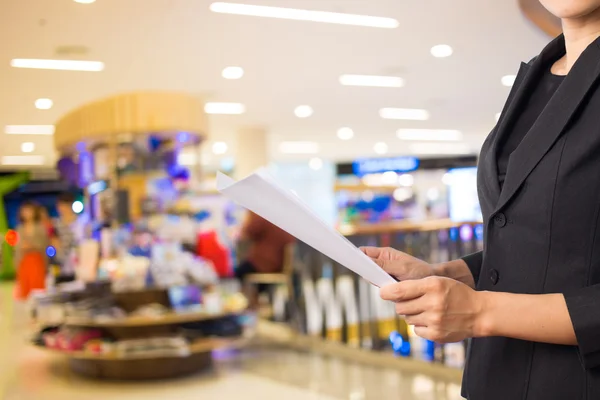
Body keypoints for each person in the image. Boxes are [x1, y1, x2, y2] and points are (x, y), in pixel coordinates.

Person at [362, 2, 600, 399]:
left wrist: (480, 311)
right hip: (497, 377)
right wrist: (452, 275)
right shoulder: (540, 74)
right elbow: (553, 241)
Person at [235, 212, 295, 286]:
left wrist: (250, 215)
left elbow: (250, 231)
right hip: (278, 263)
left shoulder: (265, 214)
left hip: (263, 263)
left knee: (235, 275)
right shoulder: (285, 218)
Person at [14, 201, 48, 299]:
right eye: (24, 211)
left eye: (29, 211)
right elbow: (18, 248)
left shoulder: (40, 227)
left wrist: (32, 246)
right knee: (25, 290)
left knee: (38, 289)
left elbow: (44, 244)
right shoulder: (20, 228)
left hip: (37, 261)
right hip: (24, 262)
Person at [53, 192, 82, 283]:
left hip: (79, 263)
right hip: (61, 264)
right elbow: (53, 243)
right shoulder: (56, 224)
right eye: (60, 206)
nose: (62, 209)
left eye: (65, 205)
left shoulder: (81, 222)